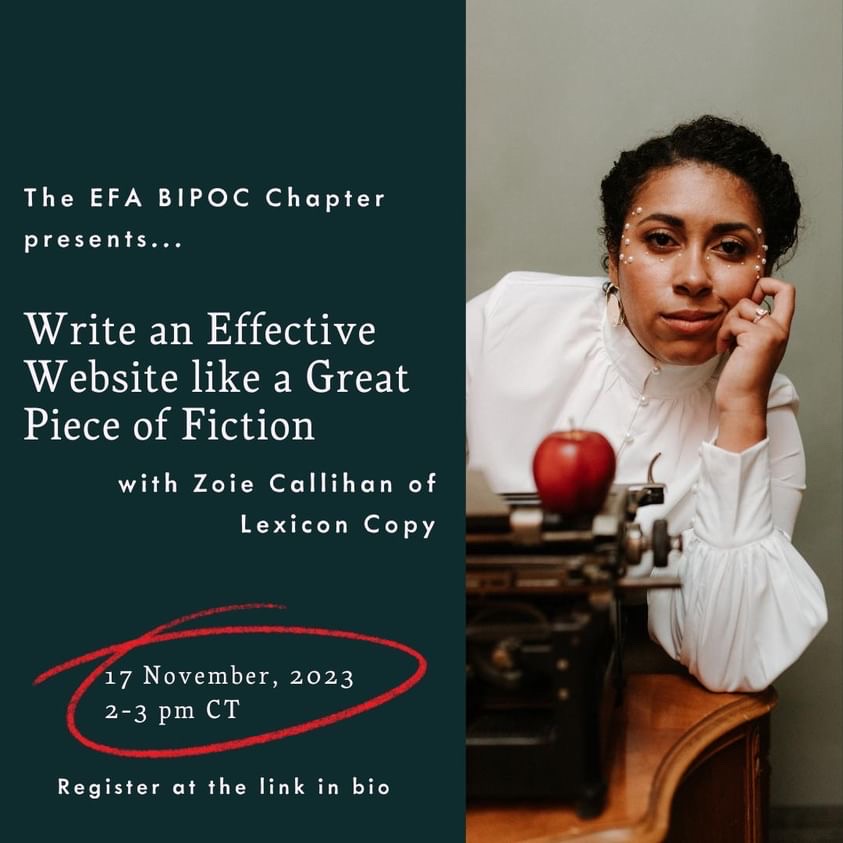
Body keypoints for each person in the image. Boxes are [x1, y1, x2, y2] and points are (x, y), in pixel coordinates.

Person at [466, 115, 827, 693]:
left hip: (618, 697)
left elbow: (728, 659)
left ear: (764, 275)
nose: (692, 277)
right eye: (661, 240)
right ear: (613, 255)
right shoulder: (506, 319)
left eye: (731, 248)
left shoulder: (762, 409)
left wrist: (738, 411)